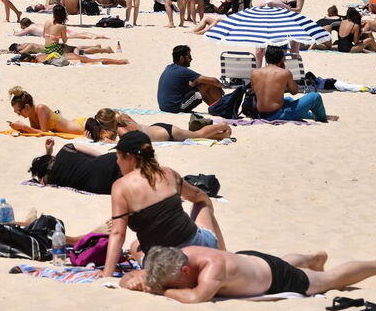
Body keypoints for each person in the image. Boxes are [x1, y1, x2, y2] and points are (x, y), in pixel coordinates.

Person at [101, 131, 226, 278]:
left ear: (129, 157)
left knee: (136, 246)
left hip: (168, 265)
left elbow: (118, 233)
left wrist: (106, 274)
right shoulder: (168, 173)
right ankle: (225, 256)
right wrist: (208, 205)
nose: (117, 162)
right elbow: (198, 196)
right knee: (202, 205)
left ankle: (223, 256)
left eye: (118, 157)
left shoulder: (120, 186)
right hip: (200, 248)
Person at [127, 246, 376, 302]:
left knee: (328, 281)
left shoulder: (213, 268)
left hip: (277, 278)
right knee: (283, 262)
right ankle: (311, 257)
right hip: (255, 263)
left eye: (175, 280)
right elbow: (147, 271)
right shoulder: (181, 254)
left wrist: (163, 291)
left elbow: (197, 297)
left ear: (186, 269)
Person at [250, 46, 334, 122]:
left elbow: (255, 91)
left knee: (288, 100)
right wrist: (284, 73)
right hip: (278, 115)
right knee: (315, 96)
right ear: (281, 59)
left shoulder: (254, 73)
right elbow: (294, 91)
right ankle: (322, 118)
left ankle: (310, 116)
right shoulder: (284, 73)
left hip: (261, 114)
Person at [28, 137, 121, 194]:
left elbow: (42, 182)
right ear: (49, 158)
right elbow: (98, 155)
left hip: (102, 186)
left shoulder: (50, 179)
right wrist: (48, 152)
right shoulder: (67, 148)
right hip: (106, 163)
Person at [90, 108, 232, 142]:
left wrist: (106, 141)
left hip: (167, 133)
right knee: (200, 138)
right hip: (157, 128)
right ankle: (223, 134)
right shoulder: (123, 117)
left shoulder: (121, 131)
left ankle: (222, 126)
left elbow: (125, 143)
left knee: (197, 135)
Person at [156, 45, 224, 113]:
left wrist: (198, 82)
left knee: (203, 84)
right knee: (204, 88)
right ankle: (225, 106)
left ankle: (217, 109)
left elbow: (189, 85)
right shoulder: (182, 70)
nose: (191, 59)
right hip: (175, 107)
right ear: (182, 58)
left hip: (165, 106)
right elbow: (214, 81)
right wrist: (222, 86)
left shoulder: (169, 67)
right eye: (189, 57)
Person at [8, 86, 89, 134]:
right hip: (74, 126)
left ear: (27, 107)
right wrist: (20, 129)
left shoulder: (41, 108)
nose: (18, 114)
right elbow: (35, 131)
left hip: (81, 127)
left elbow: (44, 132)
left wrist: (24, 127)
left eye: (18, 111)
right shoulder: (31, 114)